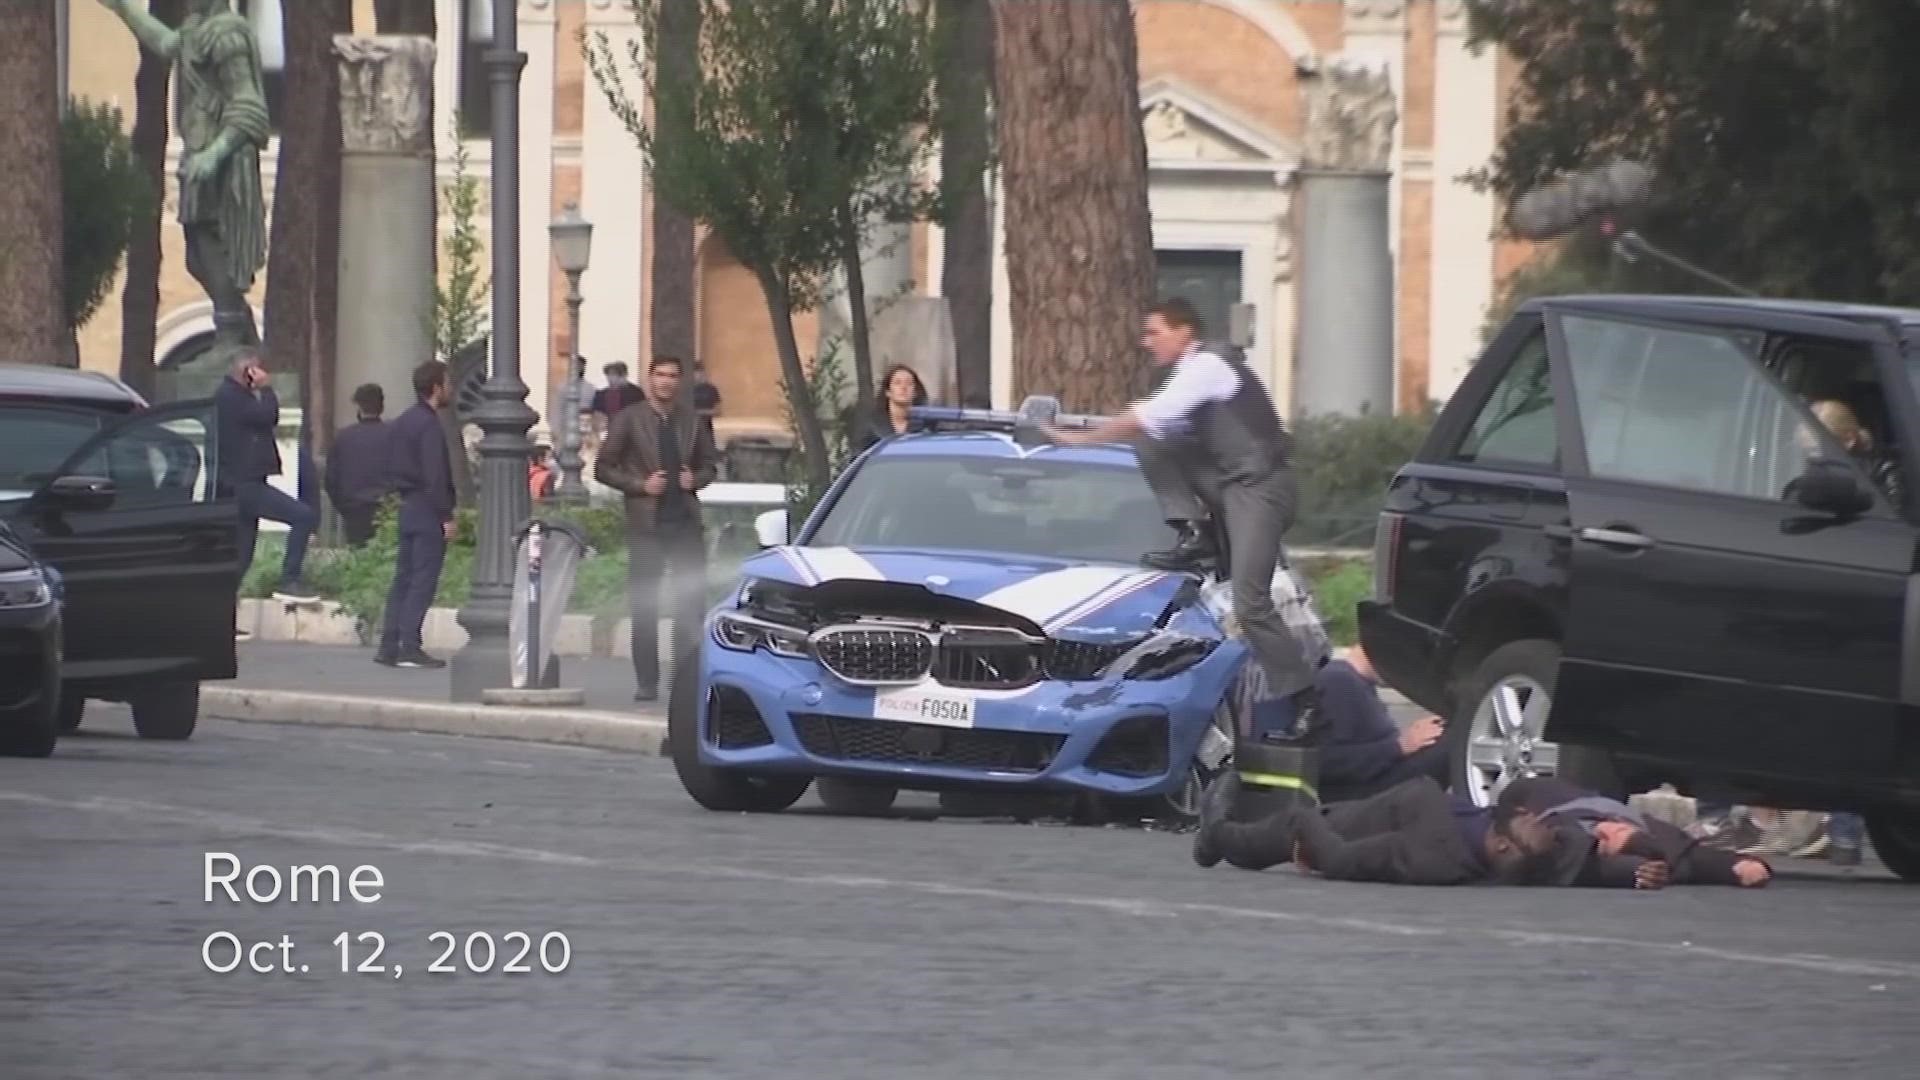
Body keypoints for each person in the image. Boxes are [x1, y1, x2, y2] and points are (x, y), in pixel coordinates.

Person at [1043, 298, 1324, 778]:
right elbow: (1151, 422)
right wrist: (1078, 425)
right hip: (1229, 485)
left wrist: (1075, 441)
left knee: (1250, 602)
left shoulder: (1209, 366)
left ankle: (1307, 700)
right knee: (1153, 439)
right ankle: (1195, 532)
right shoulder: (1187, 373)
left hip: (1261, 488)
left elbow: (1148, 414)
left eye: (1154, 332)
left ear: (1183, 332)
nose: (1146, 341)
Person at [595, 355, 720, 702]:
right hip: (646, 525)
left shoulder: (691, 421)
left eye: (672, 376)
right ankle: (646, 681)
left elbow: (711, 465)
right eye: (659, 375)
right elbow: (603, 467)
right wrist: (639, 484)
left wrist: (694, 478)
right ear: (649, 379)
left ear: (679, 382)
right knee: (646, 605)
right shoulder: (629, 419)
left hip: (684, 524)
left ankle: (682, 677)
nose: (665, 381)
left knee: (690, 604)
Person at [215, 347, 318, 605]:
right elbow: (268, 416)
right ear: (247, 370)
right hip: (245, 484)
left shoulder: (235, 396)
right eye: (257, 368)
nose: (262, 373)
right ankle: (289, 580)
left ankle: (222, 611)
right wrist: (267, 388)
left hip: (245, 483)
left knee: (242, 557)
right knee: (303, 516)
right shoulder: (231, 397)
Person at [376, 361, 457, 670]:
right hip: (426, 508)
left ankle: (389, 644)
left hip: (408, 505)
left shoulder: (403, 422)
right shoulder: (429, 425)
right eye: (447, 383)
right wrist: (445, 515)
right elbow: (435, 473)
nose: (450, 389)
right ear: (436, 387)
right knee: (423, 579)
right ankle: (410, 645)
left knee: (403, 578)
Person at [1316, 644, 1449, 804]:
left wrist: (1416, 736)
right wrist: (1400, 746)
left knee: (1454, 730)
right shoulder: (1337, 680)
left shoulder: (1358, 682)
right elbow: (1326, 762)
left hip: (1382, 782)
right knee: (1458, 741)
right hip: (1361, 796)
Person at [324, 383, 391, 547]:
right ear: (382, 406)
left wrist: (343, 506)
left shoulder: (344, 438)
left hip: (354, 508)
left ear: (359, 407)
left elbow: (331, 479)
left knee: (358, 559)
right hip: (387, 508)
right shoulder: (395, 435)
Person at [857, 364, 930, 451]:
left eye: (909, 383)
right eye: (897, 383)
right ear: (888, 391)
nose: (903, 387)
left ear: (915, 392)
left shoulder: (926, 426)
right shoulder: (872, 427)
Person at [588, 361, 647, 441]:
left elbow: (641, 414)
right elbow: (597, 414)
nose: (610, 378)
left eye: (614, 375)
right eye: (608, 375)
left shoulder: (635, 393)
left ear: (623, 375)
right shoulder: (601, 394)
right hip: (607, 432)